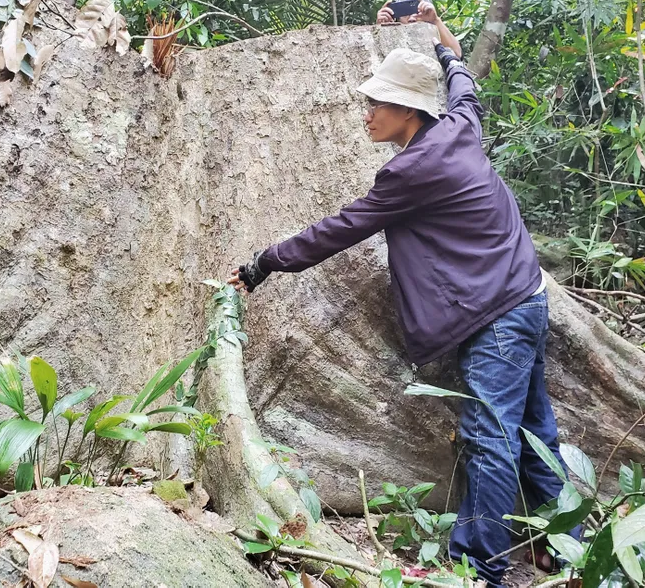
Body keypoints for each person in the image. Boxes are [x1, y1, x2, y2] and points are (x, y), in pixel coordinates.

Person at [227, 39, 571, 586]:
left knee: (491, 437)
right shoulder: (459, 127)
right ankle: (565, 545)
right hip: (524, 296)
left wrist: (263, 263)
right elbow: (465, 90)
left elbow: (339, 229)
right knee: (534, 430)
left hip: (497, 316)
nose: (366, 114)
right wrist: (445, 48)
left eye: (377, 104)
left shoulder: (411, 171)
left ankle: (481, 568)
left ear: (408, 112)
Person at [377, 0, 463, 59]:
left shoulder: (434, 31)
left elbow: (456, 54)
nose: (411, 19)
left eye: (417, 13)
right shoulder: (392, 34)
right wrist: (381, 26)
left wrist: (435, 20)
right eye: (405, 13)